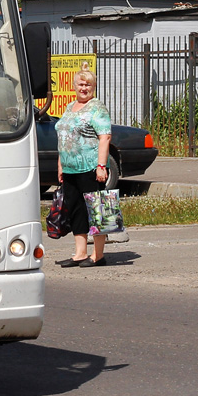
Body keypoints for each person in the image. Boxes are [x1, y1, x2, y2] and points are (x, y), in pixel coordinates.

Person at [55, 69, 113, 267]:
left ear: (93, 87)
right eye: (80, 84)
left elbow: (104, 137)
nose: (84, 88)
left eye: (88, 84)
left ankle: (98, 255)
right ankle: (80, 253)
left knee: (96, 210)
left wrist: (101, 166)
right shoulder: (70, 106)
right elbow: (63, 137)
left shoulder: (97, 108)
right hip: (70, 169)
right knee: (76, 211)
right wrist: (61, 165)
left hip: (89, 167)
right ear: (74, 86)